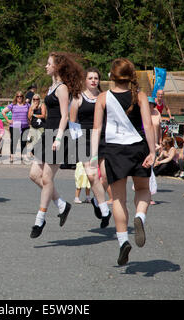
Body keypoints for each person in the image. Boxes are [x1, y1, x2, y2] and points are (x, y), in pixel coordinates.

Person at [91, 58, 155, 266]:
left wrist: (93, 157)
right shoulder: (141, 96)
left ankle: (122, 242)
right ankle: (140, 217)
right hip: (138, 149)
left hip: (114, 151)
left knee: (118, 199)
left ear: (111, 76)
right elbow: (148, 125)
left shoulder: (102, 97)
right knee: (143, 190)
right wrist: (153, 151)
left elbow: (97, 130)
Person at [29, 51, 84, 238]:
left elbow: (65, 116)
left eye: (48, 63)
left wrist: (59, 138)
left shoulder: (62, 88)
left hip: (58, 135)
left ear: (57, 67)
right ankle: (61, 204)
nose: (45, 66)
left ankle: (40, 218)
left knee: (46, 178)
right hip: (48, 133)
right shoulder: (52, 86)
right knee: (34, 175)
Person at [69, 67, 112, 227]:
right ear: (85, 81)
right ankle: (105, 210)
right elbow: (72, 122)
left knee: (106, 176)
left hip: (103, 138)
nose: (94, 80)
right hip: (85, 140)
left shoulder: (105, 97)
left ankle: (96, 200)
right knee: (92, 176)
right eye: (90, 78)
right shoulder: (78, 98)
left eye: (96, 78)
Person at [2, 91, 30, 162]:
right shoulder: (13, 105)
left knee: (23, 141)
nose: (19, 98)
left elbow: (31, 111)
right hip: (15, 126)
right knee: (14, 141)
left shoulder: (26, 105)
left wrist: (30, 120)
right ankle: (12, 156)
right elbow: (3, 111)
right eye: (18, 96)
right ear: (16, 97)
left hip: (25, 125)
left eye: (21, 96)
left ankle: (23, 156)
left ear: (23, 97)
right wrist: (8, 120)